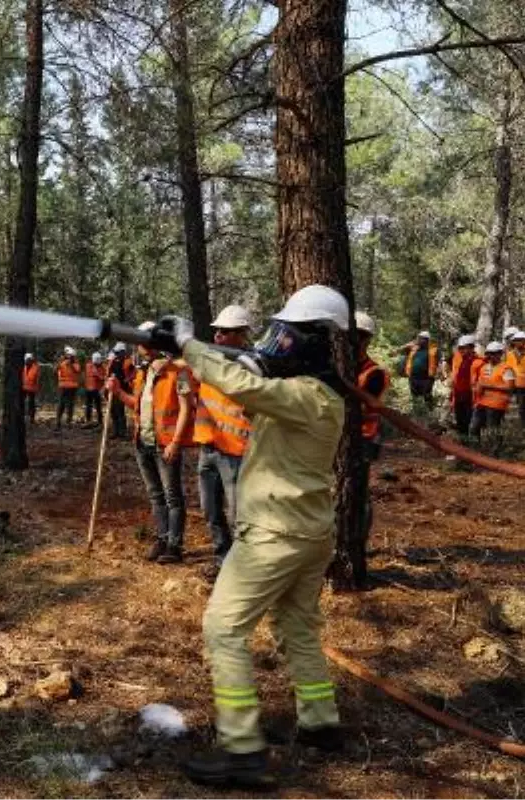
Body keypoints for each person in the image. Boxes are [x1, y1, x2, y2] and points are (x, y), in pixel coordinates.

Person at [150, 285, 350, 789]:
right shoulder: (322, 397)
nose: (275, 342)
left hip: (275, 535)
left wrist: (188, 345)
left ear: (309, 342)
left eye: (286, 334)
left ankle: (241, 747)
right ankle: (321, 723)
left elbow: (244, 388)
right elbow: (253, 379)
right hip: (309, 534)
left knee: (223, 628)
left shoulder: (305, 396)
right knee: (298, 626)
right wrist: (212, 355)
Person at [106, 322, 195, 564]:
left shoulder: (179, 371)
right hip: (143, 442)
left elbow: (186, 409)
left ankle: (174, 545)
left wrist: (176, 442)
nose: (140, 346)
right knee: (155, 495)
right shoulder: (142, 373)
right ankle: (162, 537)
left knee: (172, 496)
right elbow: (137, 404)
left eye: (144, 341)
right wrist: (116, 392)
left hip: (165, 444)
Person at [194, 305, 253, 575]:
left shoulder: (249, 367)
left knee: (237, 515)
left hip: (236, 452)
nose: (218, 336)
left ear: (241, 335)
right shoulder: (209, 362)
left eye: (225, 332)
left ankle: (242, 568)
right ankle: (222, 559)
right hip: (208, 447)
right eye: (217, 331)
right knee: (211, 510)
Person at [355, 311, 389, 544]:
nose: (355, 340)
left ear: (367, 339)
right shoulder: (342, 366)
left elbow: (365, 405)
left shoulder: (374, 373)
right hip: (339, 436)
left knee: (358, 492)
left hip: (364, 439)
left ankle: (358, 541)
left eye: (360, 336)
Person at [470, 341, 516, 443]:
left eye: (494, 353)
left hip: (497, 404)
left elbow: (510, 387)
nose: (491, 356)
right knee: (474, 427)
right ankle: (474, 451)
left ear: (500, 354)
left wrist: (489, 386)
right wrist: (476, 392)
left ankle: (495, 452)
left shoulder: (506, 369)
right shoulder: (484, 367)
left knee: (493, 429)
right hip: (481, 402)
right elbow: (480, 383)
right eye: (489, 353)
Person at [449, 335, 479, 436]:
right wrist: (452, 394)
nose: (461, 350)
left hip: (471, 395)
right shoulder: (458, 359)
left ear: (471, 348)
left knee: (469, 420)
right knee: (460, 420)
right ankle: (462, 442)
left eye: (463, 348)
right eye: (459, 348)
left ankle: (471, 444)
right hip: (458, 394)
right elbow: (455, 376)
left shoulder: (478, 361)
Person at [400, 331, 438, 407]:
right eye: (418, 338)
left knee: (427, 396)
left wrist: (441, 373)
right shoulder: (413, 349)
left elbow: (440, 362)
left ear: (427, 340)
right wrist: (408, 344)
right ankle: (416, 411)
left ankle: (430, 413)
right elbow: (401, 351)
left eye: (421, 339)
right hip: (413, 378)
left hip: (426, 379)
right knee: (415, 397)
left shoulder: (433, 350)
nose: (419, 340)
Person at [107, 342, 131, 438]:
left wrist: (126, 380)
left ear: (123, 352)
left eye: (118, 353)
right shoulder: (113, 361)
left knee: (120, 411)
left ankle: (123, 432)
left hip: (121, 390)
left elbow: (132, 375)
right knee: (113, 411)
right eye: (116, 353)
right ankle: (116, 431)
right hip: (112, 390)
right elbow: (108, 374)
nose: (117, 354)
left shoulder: (127, 362)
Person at [55, 346, 81, 428]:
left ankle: (68, 421)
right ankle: (58, 421)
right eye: (68, 355)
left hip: (72, 387)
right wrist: (60, 362)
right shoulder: (62, 363)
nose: (69, 357)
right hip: (63, 386)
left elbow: (77, 370)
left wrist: (71, 364)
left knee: (69, 404)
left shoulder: (75, 363)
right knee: (61, 404)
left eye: (70, 356)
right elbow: (55, 370)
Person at [83, 352, 106, 427]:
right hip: (89, 389)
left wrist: (99, 376)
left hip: (96, 389)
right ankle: (88, 421)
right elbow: (100, 377)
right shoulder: (89, 366)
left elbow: (103, 378)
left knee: (98, 406)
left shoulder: (101, 367)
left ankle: (99, 421)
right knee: (89, 406)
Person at [511, 330, 525, 424]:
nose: (517, 342)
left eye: (520, 340)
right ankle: (524, 424)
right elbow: (508, 368)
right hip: (518, 385)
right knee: (521, 406)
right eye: (516, 340)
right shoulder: (510, 354)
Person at [22, 353, 41, 424]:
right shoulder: (22, 367)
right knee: (22, 403)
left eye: (29, 360)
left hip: (32, 388)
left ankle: (32, 419)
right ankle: (22, 417)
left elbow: (37, 379)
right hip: (23, 387)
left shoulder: (36, 367)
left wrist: (37, 388)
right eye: (26, 360)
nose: (27, 361)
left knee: (31, 404)